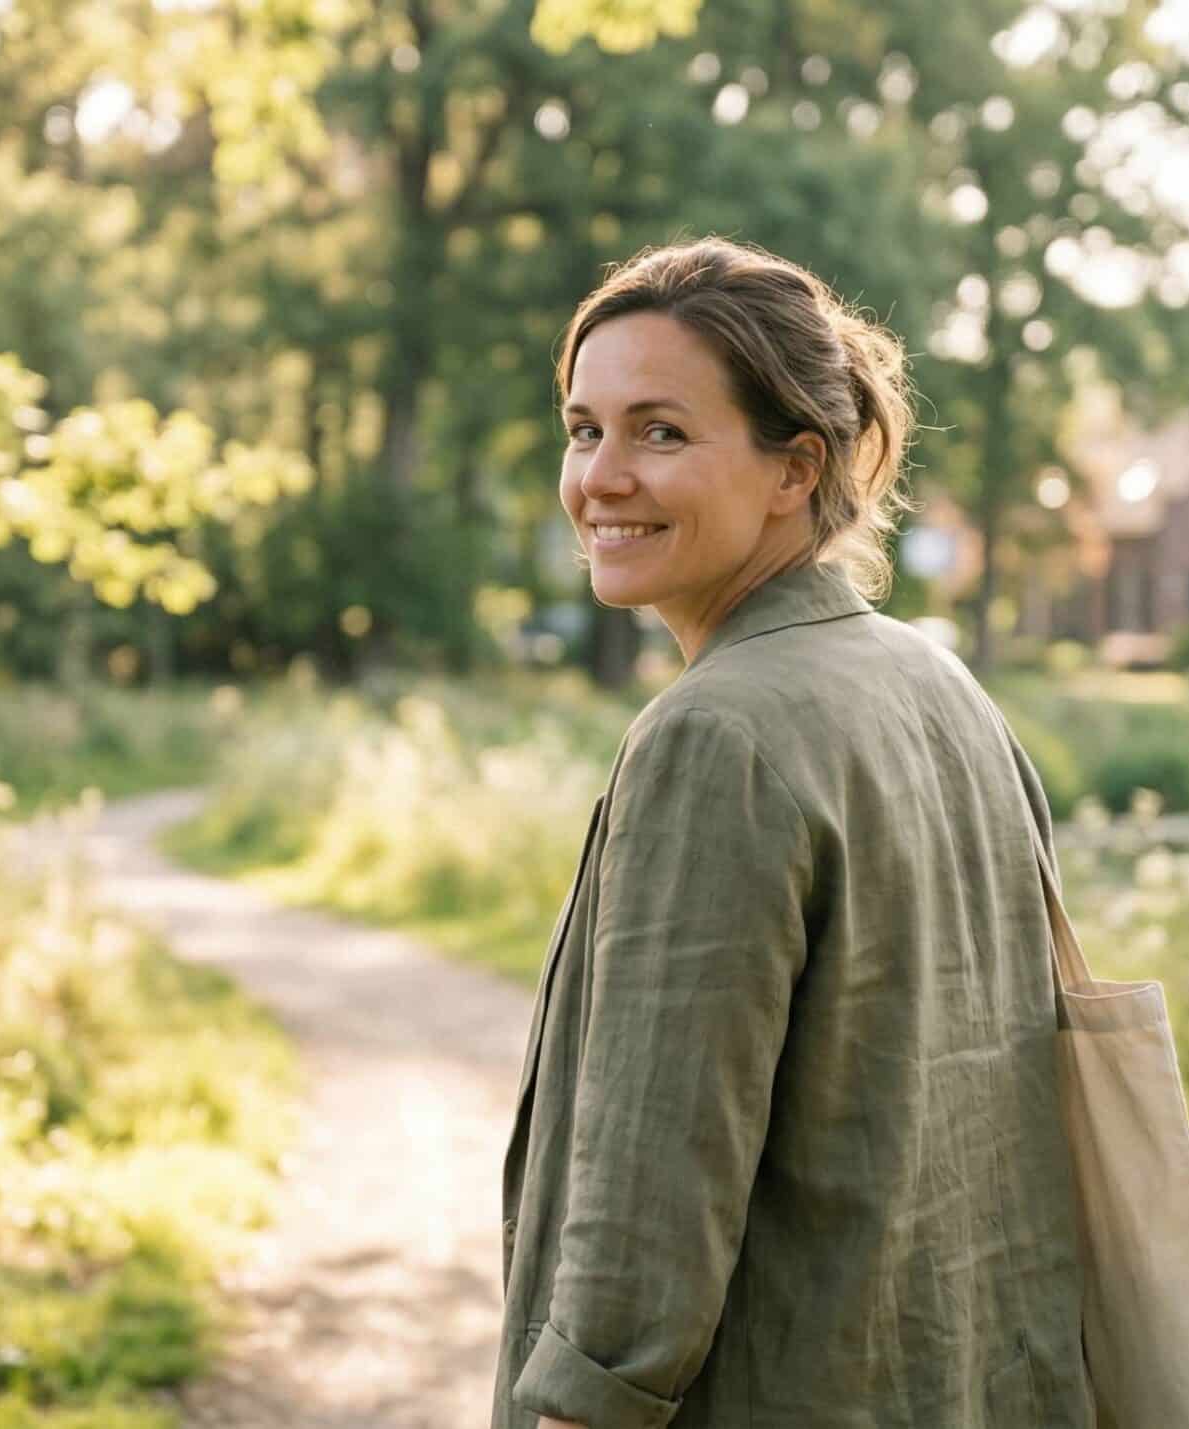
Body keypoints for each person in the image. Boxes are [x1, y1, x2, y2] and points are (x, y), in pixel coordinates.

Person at [496, 237, 1089, 1429]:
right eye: (583, 428)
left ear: (792, 469)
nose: (601, 476)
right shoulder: (938, 684)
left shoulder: (715, 738)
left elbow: (652, 1188)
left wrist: (577, 1407)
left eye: (660, 431)